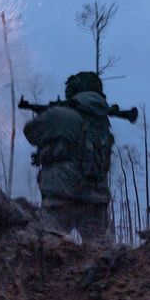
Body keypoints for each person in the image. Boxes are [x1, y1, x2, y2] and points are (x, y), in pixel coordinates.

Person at [22, 71, 122, 240]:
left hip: (60, 196)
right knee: (100, 257)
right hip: (96, 200)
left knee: (50, 255)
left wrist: (51, 113)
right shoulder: (102, 120)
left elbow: (31, 132)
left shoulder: (59, 114)